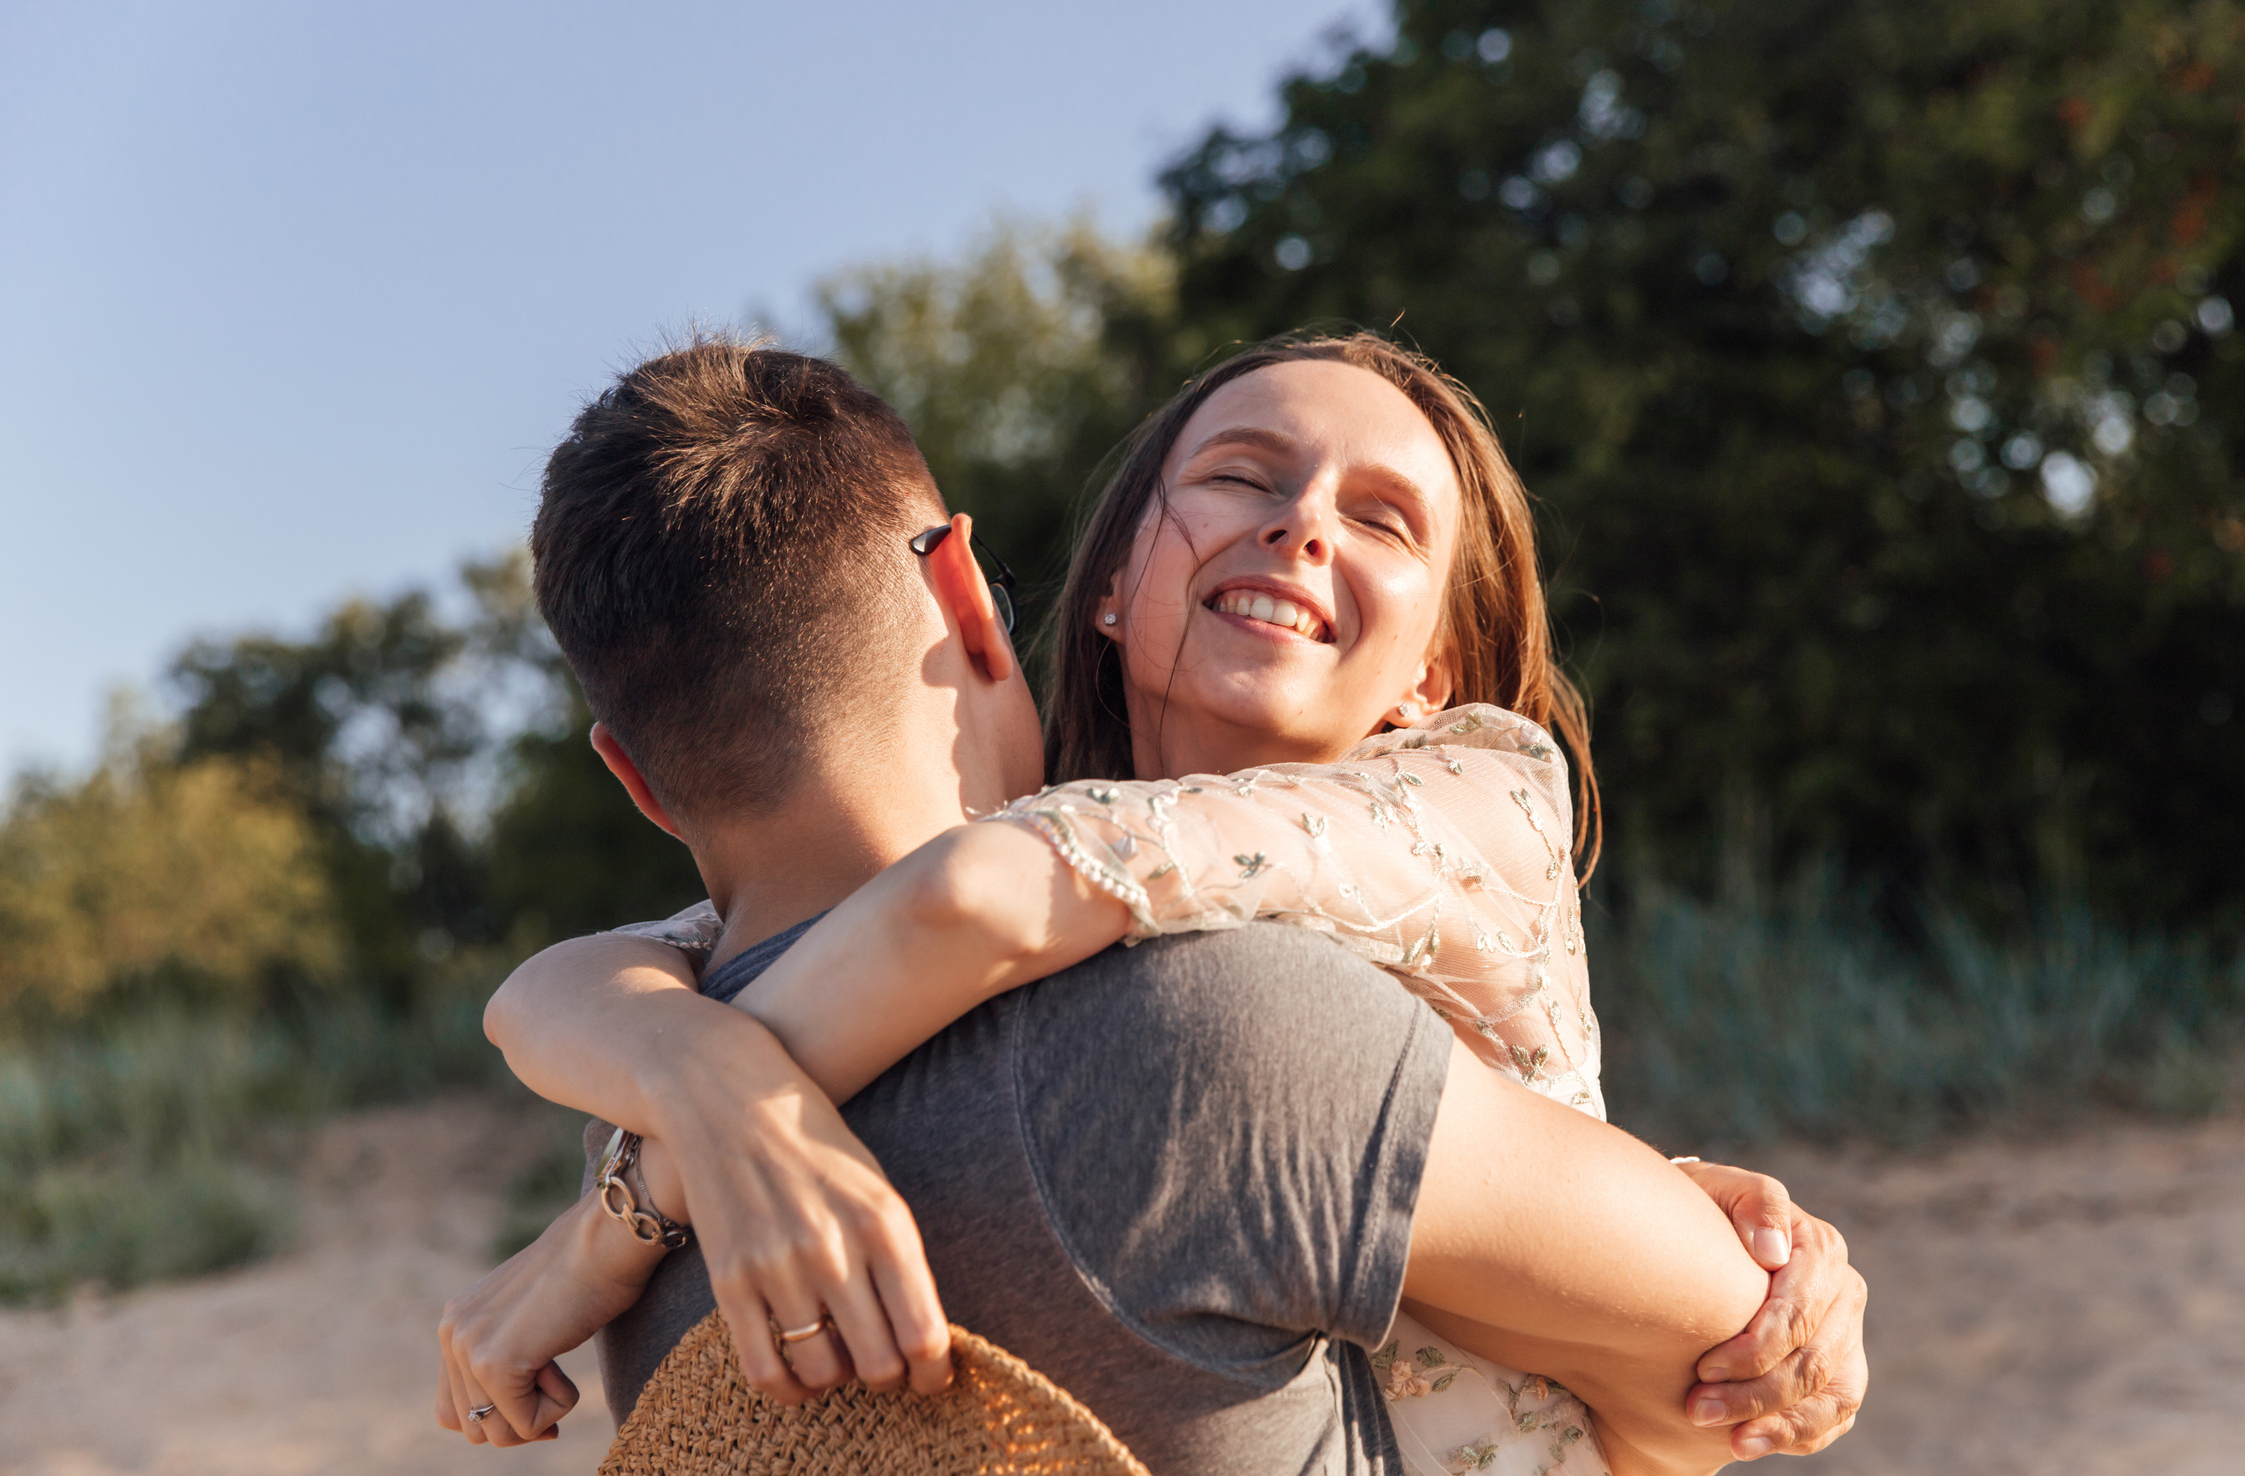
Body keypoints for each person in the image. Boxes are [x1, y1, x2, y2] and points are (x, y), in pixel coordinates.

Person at [437, 337, 1869, 1472]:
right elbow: (589, 978)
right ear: (1094, 585)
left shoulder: (1473, 790)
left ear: (1430, 675)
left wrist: (633, 1197)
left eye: (1382, 517)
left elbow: (952, 900)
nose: (1303, 526)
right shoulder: (1155, 978)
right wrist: (697, 1097)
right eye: (1243, 476)